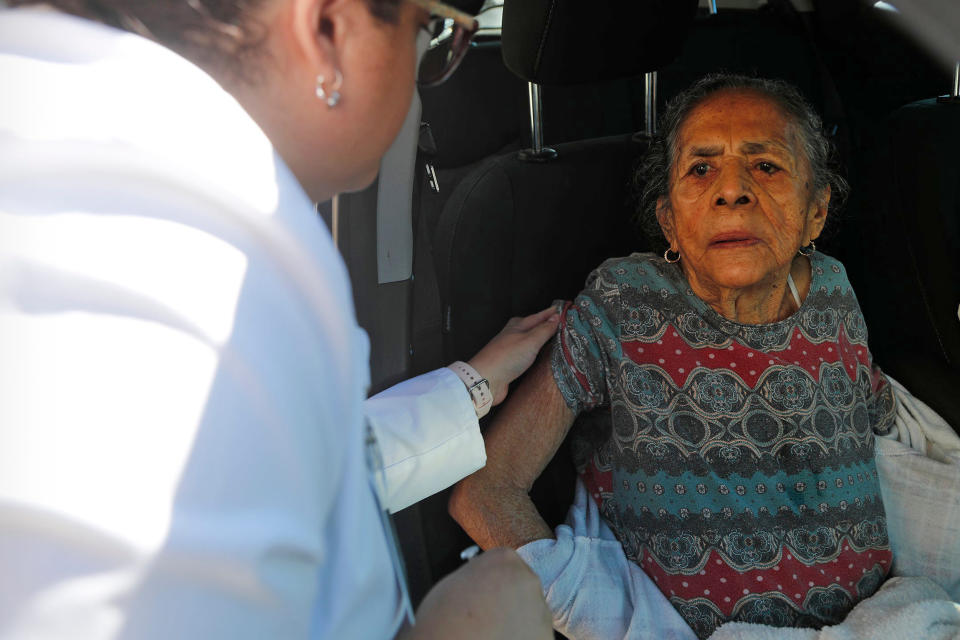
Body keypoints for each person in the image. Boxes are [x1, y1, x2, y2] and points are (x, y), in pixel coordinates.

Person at [0, 0, 555, 638]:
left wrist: (469, 387)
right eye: (431, 37)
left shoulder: (100, 177)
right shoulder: (184, 265)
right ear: (328, 28)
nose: (421, 78)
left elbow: (277, 477)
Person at [450, 74, 898, 639]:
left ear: (816, 212)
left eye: (766, 166)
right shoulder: (624, 303)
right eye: (700, 168)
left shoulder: (834, 287)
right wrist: (597, 613)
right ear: (670, 222)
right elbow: (484, 489)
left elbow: (876, 417)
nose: (731, 190)